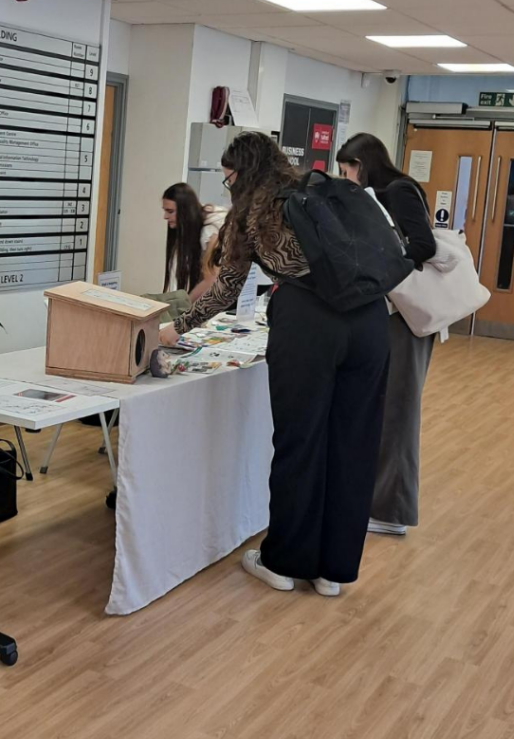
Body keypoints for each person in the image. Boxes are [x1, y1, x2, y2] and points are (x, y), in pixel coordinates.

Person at [159, 131, 390, 598]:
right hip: (370, 321)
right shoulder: (321, 187)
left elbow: (225, 290)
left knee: (299, 441)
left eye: (228, 179)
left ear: (242, 174)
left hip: (308, 323)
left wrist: (176, 329)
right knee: (353, 445)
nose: (228, 188)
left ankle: (283, 561)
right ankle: (333, 571)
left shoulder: (254, 211)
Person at [337, 133, 436, 537]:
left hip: (407, 318)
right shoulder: (387, 192)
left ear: (362, 164)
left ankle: (392, 511)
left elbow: (423, 246)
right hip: (394, 316)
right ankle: (379, 502)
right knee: (386, 407)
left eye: (347, 170)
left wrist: (382, 270)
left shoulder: (396, 191)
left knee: (398, 411)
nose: (345, 178)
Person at [161, 182, 227, 300]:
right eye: (165, 210)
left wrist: (185, 307)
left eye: (170, 211)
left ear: (185, 211)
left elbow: (211, 279)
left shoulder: (209, 231)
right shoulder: (195, 223)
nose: (165, 216)